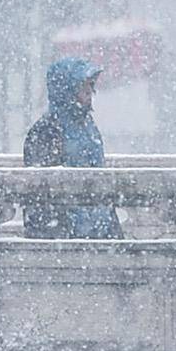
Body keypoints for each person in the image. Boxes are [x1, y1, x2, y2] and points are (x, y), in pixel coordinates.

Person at [17, 56, 121, 238]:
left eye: (91, 85)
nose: (90, 92)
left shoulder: (87, 125)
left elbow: (98, 176)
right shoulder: (46, 131)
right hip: (66, 238)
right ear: (67, 89)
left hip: (97, 232)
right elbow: (41, 191)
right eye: (84, 86)